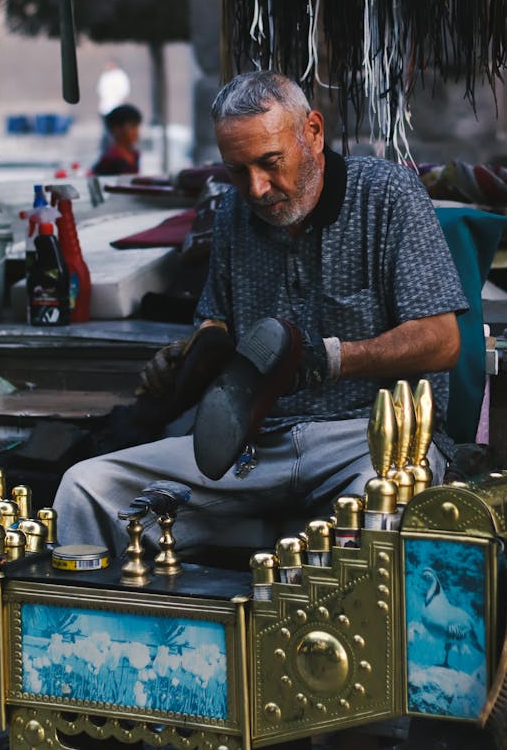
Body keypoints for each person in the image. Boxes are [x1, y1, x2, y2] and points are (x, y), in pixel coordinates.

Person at [54, 71, 467, 561]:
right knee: (86, 488)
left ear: (312, 132)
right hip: (253, 446)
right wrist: (185, 361)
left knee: (372, 514)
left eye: (270, 162)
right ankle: (101, 633)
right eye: (237, 170)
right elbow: (216, 326)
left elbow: (442, 340)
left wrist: (329, 360)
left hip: (364, 439)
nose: (256, 187)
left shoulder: (387, 194)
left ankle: (331, 639)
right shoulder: (233, 213)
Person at [91, 103, 142, 175]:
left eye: (137, 127)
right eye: (132, 127)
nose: (136, 132)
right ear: (117, 129)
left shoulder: (135, 154)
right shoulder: (109, 159)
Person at [96, 59, 131, 151]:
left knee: (115, 132)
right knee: (107, 133)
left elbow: (123, 92)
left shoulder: (120, 76)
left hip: (116, 108)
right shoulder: (105, 76)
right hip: (106, 108)